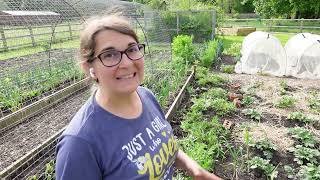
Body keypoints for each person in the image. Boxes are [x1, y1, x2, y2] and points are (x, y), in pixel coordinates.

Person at [55, 13, 222, 180]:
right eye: (109, 54)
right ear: (89, 67)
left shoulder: (146, 96)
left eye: (132, 49)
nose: (127, 63)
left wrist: (194, 169)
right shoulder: (80, 143)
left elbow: (159, 146)